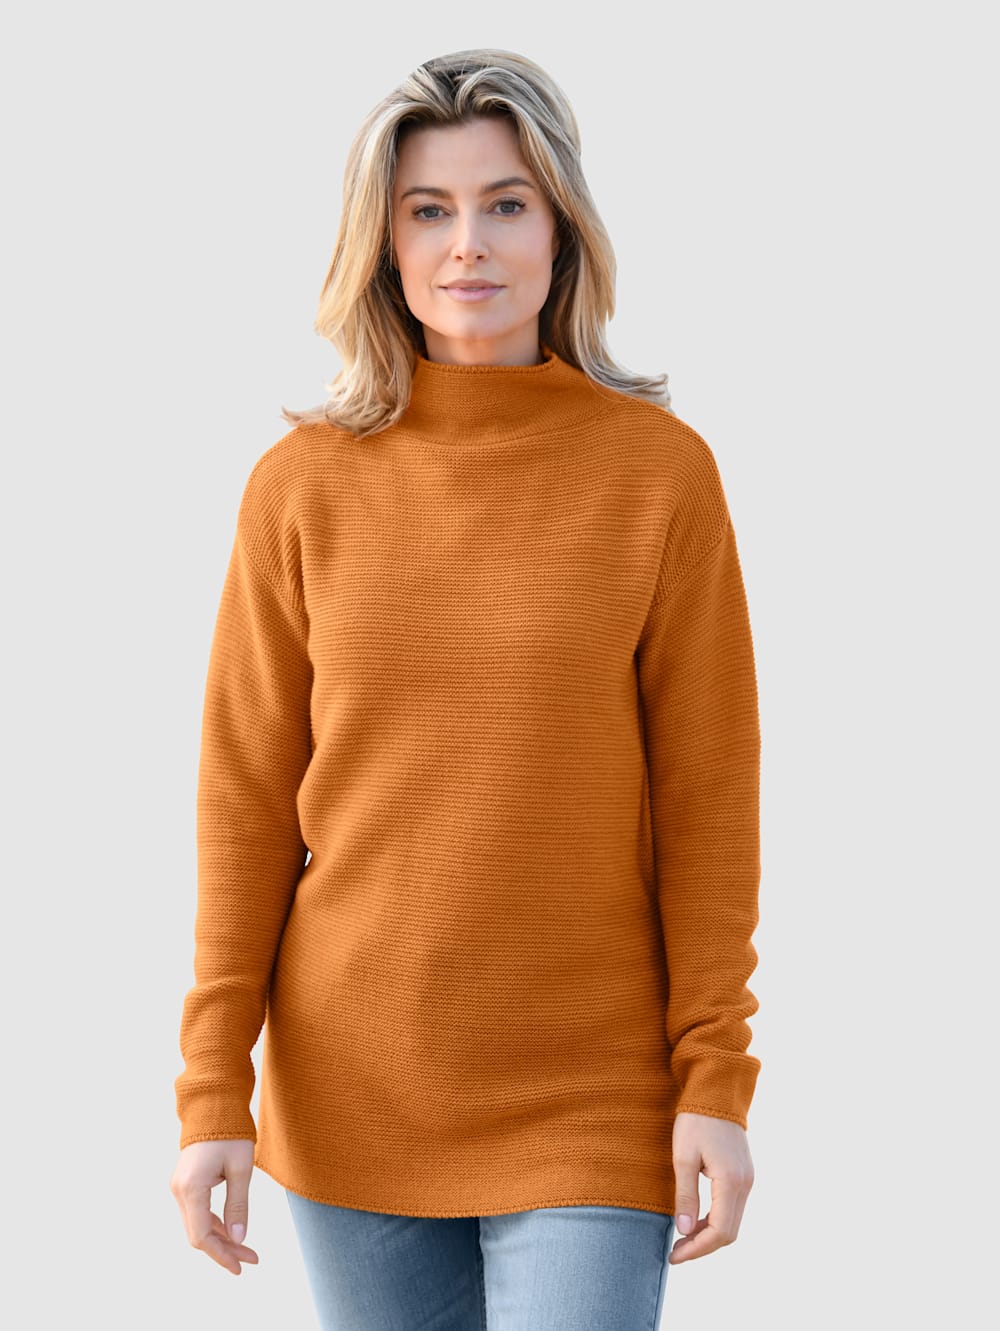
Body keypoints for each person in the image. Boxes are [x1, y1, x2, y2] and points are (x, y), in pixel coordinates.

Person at [170, 47, 761, 1330]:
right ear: (382, 243)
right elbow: (245, 802)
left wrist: (716, 1074)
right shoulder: (301, 487)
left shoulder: (657, 474)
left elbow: (709, 802)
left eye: (505, 204)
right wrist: (212, 1086)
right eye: (427, 210)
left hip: (591, 1084)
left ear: (562, 227)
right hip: (353, 1083)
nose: (467, 244)